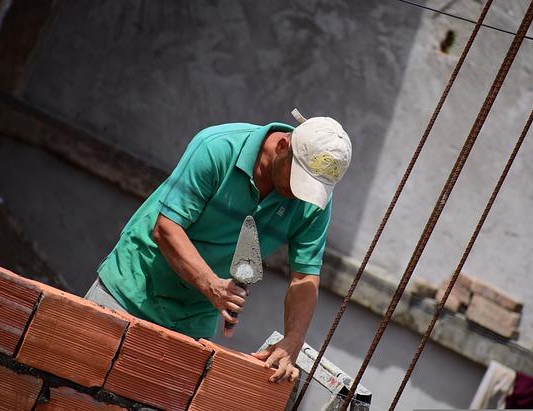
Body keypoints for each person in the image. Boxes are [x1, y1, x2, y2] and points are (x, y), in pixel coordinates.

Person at [84, 110, 352, 383]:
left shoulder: (312, 200)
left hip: (192, 321)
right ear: (283, 146)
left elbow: (305, 276)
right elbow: (166, 229)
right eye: (298, 180)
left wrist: (293, 339)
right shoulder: (218, 147)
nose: (300, 193)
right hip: (130, 291)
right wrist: (213, 285)